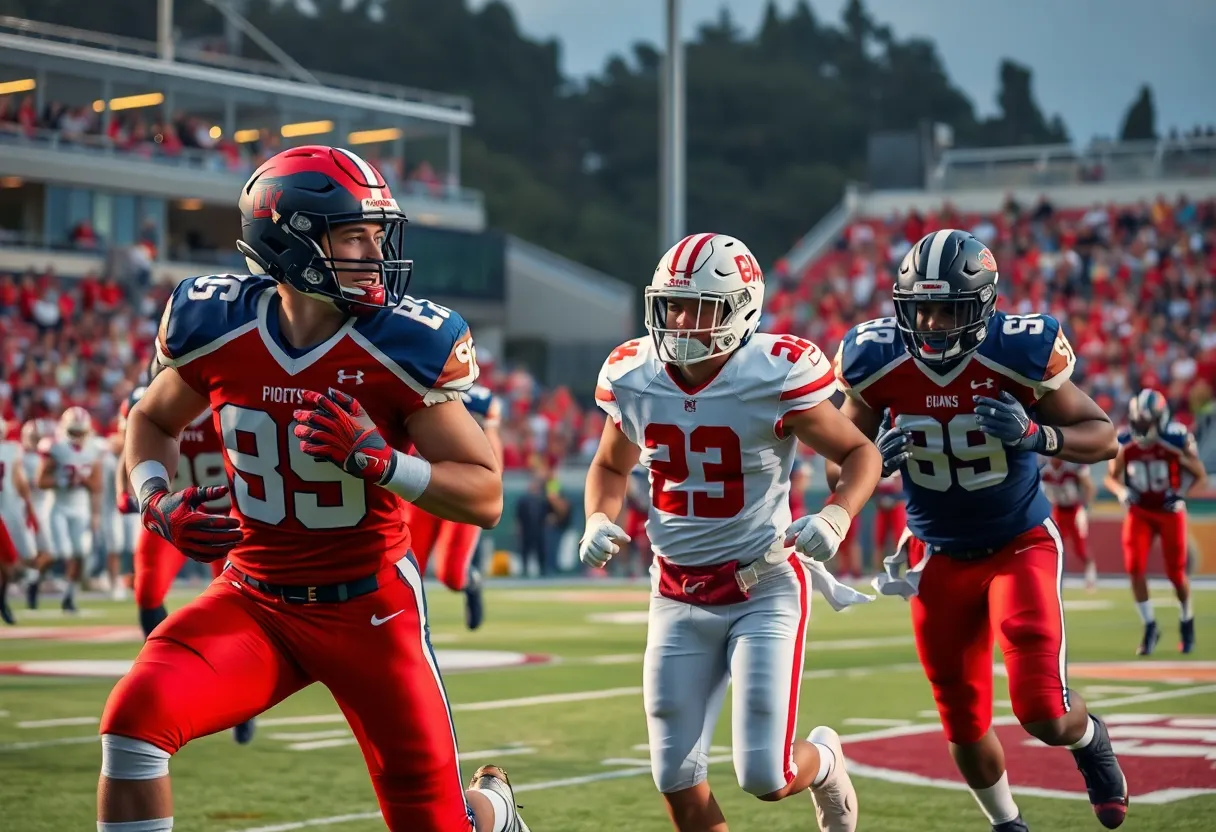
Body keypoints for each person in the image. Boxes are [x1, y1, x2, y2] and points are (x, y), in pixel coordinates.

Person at [97, 145, 529, 832]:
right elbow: (149, 418)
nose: (374, 250)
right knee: (131, 725)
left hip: (371, 611)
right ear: (286, 241)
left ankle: (492, 812)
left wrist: (382, 461)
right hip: (254, 599)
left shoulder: (400, 345)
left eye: (375, 233)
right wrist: (154, 498)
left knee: (435, 823)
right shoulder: (218, 325)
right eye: (352, 235)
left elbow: (483, 493)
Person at [581, 232, 881, 832]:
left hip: (760, 587)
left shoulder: (773, 374)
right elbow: (611, 465)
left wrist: (837, 513)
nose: (681, 319)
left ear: (741, 309)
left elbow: (859, 452)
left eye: (699, 306)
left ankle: (823, 762)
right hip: (674, 593)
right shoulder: (634, 373)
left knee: (765, 776)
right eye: (672, 303)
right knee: (676, 777)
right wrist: (597, 517)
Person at [831, 229, 1128, 831]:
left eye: (949, 310)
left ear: (984, 306)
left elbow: (1104, 436)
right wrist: (869, 460)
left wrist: (1037, 436)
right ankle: (1007, 823)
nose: (934, 324)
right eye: (923, 309)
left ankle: (1089, 740)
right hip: (934, 556)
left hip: (1018, 545)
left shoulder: (1019, 352)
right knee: (961, 721)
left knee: (1044, 712)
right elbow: (838, 454)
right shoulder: (875, 357)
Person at [1103, 388, 1207, 655]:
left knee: (1176, 574)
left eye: (1145, 422)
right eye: (1137, 421)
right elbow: (1110, 477)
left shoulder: (1175, 438)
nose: (1140, 426)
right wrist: (1122, 491)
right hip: (1140, 511)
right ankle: (1149, 625)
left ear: (1159, 419)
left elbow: (1199, 476)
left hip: (1169, 511)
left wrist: (1181, 496)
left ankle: (1186, 619)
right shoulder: (1125, 440)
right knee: (1134, 567)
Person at [400, 382, 504, 629]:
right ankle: (408, 627)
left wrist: (486, 489)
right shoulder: (415, 381)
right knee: (408, 568)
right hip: (422, 486)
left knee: (452, 575)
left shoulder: (481, 400)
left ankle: (471, 583)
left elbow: (493, 455)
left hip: (462, 489)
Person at [37, 406, 102, 613]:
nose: (77, 436)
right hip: (58, 506)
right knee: (59, 553)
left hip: (80, 507)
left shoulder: (93, 448)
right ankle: (33, 581)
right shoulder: (55, 447)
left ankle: (68, 596)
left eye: (80, 431)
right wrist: (61, 481)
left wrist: (82, 481)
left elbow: (97, 485)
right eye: (73, 431)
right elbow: (40, 480)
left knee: (80, 554)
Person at [1040, 458, 1098, 592]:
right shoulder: (1044, 469)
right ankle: (1055, 577)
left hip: (1075, 509)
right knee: (1054, 545)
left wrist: (1085, 508)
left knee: (1080, 549)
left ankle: (1091, 577)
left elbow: (1089, 486)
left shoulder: (1073, 467)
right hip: (1058, 509)